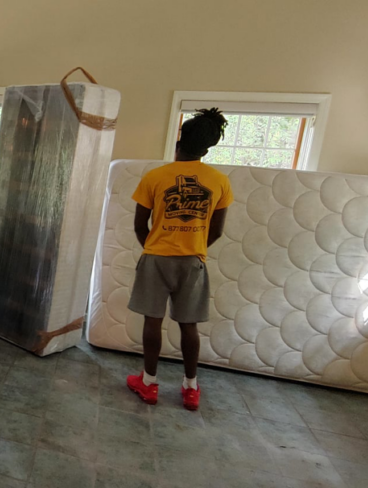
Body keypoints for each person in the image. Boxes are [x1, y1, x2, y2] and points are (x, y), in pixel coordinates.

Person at [125, 108, 233, 411]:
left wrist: (156, 248)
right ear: (207, 149)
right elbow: (217, 230)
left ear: (179, 140)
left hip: (156, 258)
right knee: (189, 326)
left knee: (152, 321)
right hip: (193, 261)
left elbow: (139, 225)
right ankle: (190, 388)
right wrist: (193, 246)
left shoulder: (155, 177)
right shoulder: (219, 181)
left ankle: (149, 383)